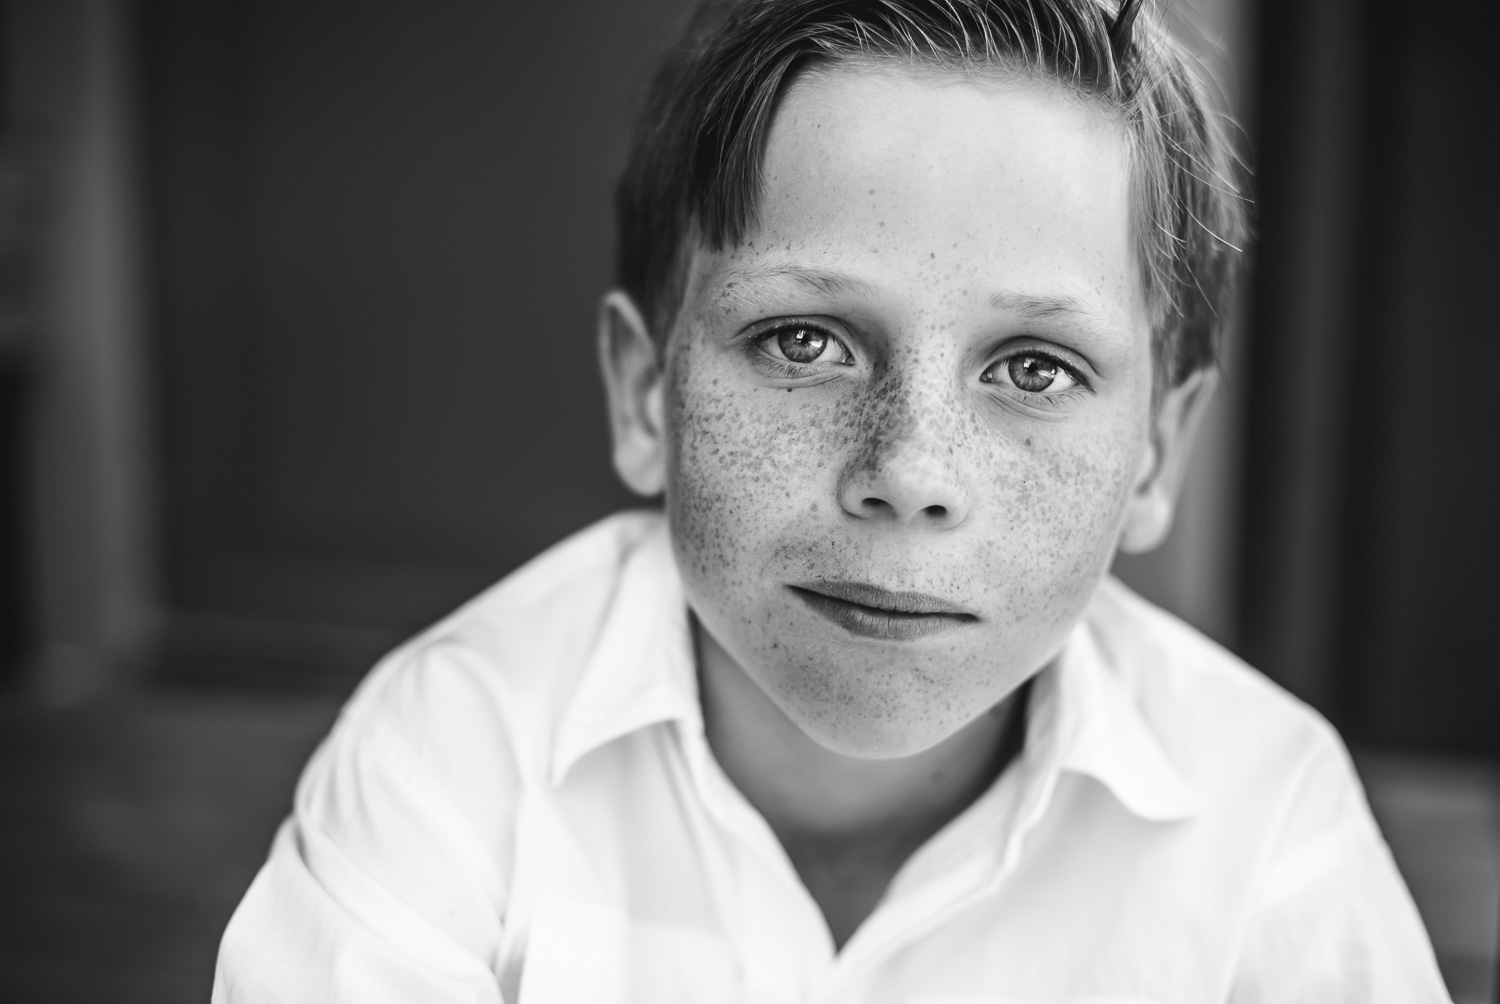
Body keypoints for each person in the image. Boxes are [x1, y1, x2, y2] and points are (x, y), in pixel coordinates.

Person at [212, 1, 1452, 1000]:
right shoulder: (451, 752)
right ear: (648, 395)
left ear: (1156, 456)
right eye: (806, 340)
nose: (909, 469)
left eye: (1035, 368)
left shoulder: (1263, 809)